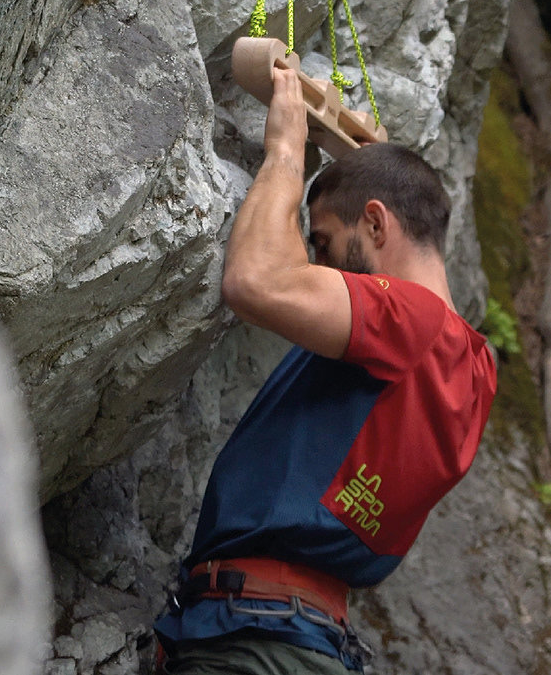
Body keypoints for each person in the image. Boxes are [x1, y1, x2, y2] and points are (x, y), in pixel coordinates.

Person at [152, 65, 497, 673]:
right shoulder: (472, 368)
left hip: (255, 642)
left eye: (323, 241)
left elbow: (256, 281)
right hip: (310, 642)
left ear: (375, 223)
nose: (319, 262)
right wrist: (375, 166)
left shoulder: (412, 320)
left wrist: (286, 154)